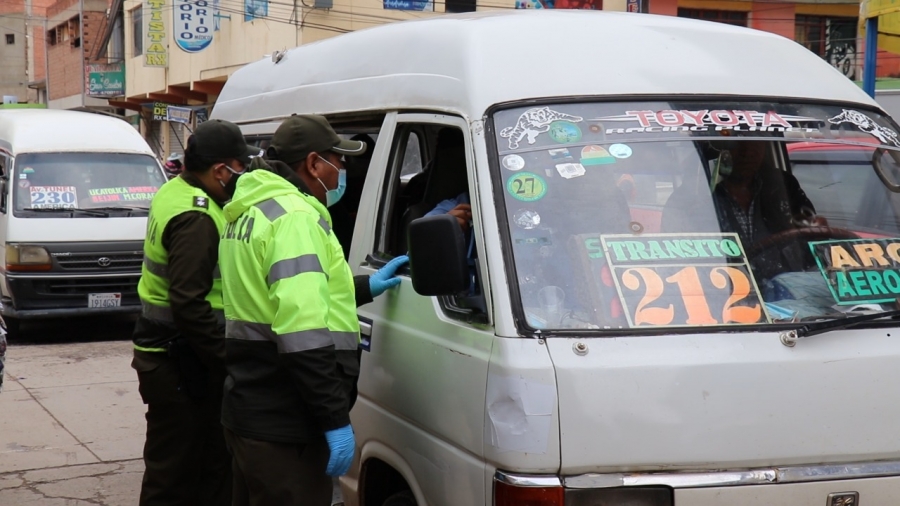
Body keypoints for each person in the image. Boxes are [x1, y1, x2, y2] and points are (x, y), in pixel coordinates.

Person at [220, 114, 407, 506]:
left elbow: (277, 299)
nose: (342, 171)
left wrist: (362, 287)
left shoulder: (251, 209)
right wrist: (335, 419)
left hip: (249, 406)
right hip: (286, 423)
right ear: (313, 163)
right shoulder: (296, 219)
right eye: (338, 161)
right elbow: (302, 334)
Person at [132, 119, 258, 506]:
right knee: (177, 478)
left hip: (169, 356)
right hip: (182, 364)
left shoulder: (175, 191)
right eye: (242, 168)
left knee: (183, 469)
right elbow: (188, 303)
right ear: (222, 170)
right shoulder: (198, 217)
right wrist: (229, 361)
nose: (245, 176)